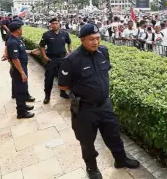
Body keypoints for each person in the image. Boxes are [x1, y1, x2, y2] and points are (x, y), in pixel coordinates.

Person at [58, 24, 140, 179]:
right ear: (82, 40)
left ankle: (121, 160)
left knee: (114, 135)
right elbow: (63, 85)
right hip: (84, 109)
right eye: (91, 39)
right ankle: (92, 168)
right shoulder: (72, 60)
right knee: (87, 141)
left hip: (105, 104)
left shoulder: (103, 52)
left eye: (97, 38)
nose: (95, 42)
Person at [6, 21, 35, 119]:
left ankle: (23, 105)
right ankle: (21, 112)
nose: (22, 30)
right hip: (19, 69)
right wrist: (22, 73)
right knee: (20, 90)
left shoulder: (17, 39)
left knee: (23, 88)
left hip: (22, 67)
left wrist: (31, 51)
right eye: (21, 28)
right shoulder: (13, 42)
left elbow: (20, 52)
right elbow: (15, 59)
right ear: (18, 30)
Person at [39, 18, 72, 104]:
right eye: (53, 23)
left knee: (63, 77)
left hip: (62, 58)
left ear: (59, 24)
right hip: (51, 59)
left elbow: (69, 42)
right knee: (49, 78)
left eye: (56, 23)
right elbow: (42, 46)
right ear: (50, 25)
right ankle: (47, 96)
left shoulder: (65, 34)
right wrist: (44, 56)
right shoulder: (46, 35)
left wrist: (69, 51)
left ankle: (63, 92)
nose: (54, 25)